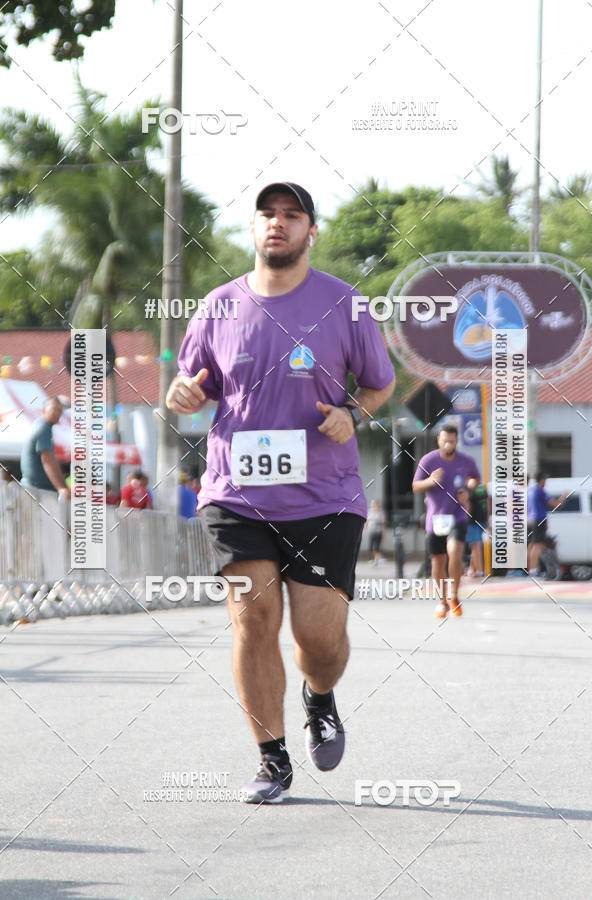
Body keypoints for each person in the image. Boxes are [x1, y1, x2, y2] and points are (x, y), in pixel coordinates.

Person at [166, 181, 395, 803]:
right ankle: (271, 759)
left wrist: (352, 412)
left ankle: (319, 696)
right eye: (268, 213)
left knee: (319, 641)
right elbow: (191, 384)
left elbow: (377, 385)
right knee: (254, 618)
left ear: (310, 232)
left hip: (325, 496)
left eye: (292, 216)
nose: (278, 223)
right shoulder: (217, 305)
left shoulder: (346, 305)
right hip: (235, 492)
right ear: (254, 225)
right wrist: (180, 394)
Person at [412, 425, 480, 617]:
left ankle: (454, 595)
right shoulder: (429, 460)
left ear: (457, 441)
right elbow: (415, 486)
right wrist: (430, 481)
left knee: (455, 554)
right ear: (439, 441)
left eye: (452, 440)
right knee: (438, 560)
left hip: (457, 516)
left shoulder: (466, 460)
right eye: (445, 440)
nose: (448, 443)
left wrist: (469, 490)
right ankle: (442, 600)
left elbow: (475, 478)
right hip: (435, 519)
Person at [20, 397, 70, 499]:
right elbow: (47, 459)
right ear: (44, 410)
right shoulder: (43, 428)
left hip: (35, 490)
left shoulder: (41, 425)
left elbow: (52, 459)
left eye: (60, 410)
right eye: (54, 409)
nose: (57, 413)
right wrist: (61, 488)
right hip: (36, 492)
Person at [527, 473, 567, 576]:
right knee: (537, 545)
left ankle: (532, 569)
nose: (546, 481)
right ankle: (533, 571)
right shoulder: (540, 491)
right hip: (539, 520)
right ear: (541, 480)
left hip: (532, 520)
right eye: (545, 479)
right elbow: (555, 504)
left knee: (532, 545)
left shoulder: (531, 490)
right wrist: (563, 497)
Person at [465, 484, 488, 576]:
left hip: (472, 521)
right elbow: (487, 504)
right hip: (482, 519)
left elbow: (467, 506)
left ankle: (479, 570)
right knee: (475, 545)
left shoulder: (467, 489)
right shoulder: (482, 489)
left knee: (475, 545)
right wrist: (487, 519)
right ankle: (471, 569)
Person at [365, 499, 386, 565]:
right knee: (370, 548)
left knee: (376, 547)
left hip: (378, 532)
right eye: (372, 504)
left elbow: (383, 523)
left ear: (377, 504)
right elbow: (367, 521)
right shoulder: (370, 511)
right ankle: (380, 558)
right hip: (371, 531)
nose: (373, 505)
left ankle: (376, 561)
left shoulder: (381, 512)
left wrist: (383, 533)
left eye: (374, 504)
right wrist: (365, 529)